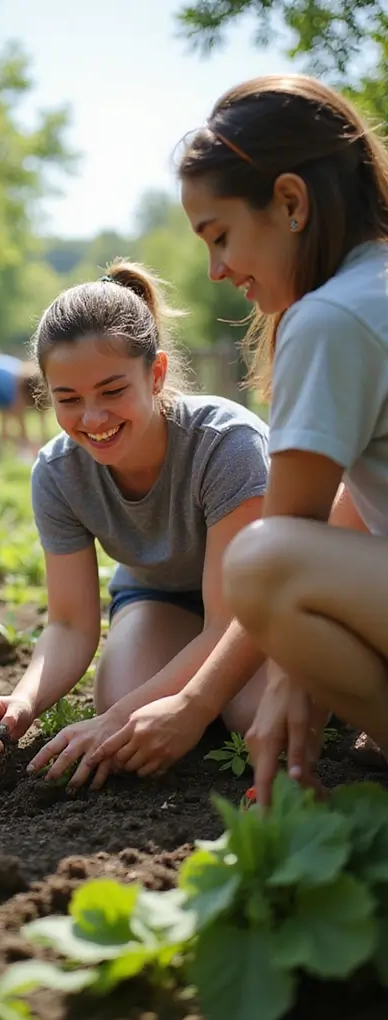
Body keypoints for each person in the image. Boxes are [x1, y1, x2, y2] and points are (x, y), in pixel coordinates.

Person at [0, 260, 271, 789]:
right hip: (161, 599)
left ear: (154, 374)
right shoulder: (59, 472)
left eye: (112, 392)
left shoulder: (226, 444)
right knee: (123, 710)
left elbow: (229, 620)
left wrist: (138, 715)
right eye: (69, 399)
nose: (93, 419)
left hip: (252, 610)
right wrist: (24, 699)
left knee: (251, 718)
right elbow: (68, 623)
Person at [177, 73, 388, 805]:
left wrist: (272, 694)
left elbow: (287, 548)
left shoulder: (332, 318)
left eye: (221, 236)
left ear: (291, 202)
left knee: (259, 558)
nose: (217, 270)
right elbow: (349, 518)